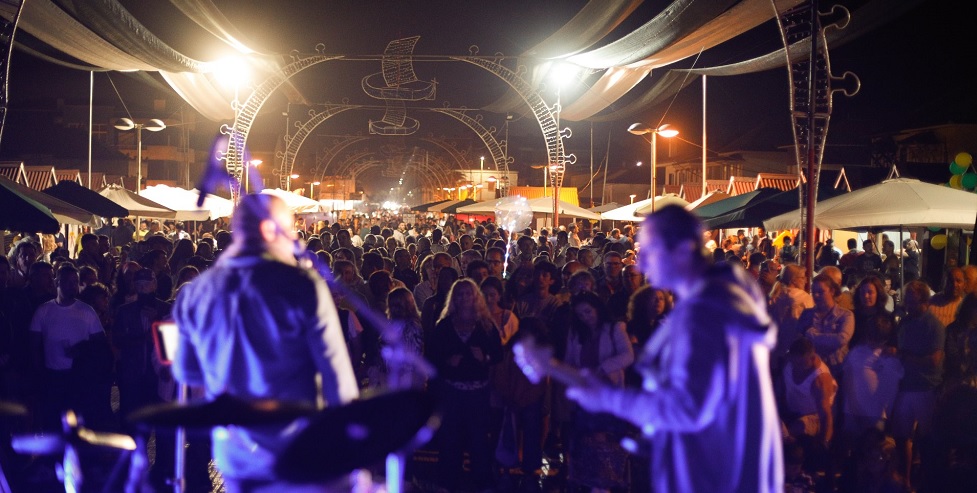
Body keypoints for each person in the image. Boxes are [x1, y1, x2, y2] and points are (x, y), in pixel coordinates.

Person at [563, 204, 783, 493]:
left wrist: (607, 398)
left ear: (680, 251)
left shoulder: (705, 312)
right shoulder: (719, 299)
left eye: (650, 252)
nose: (641, 266)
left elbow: (688, 408)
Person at [172, 193, 358, 492]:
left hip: (234, 456)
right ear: (271, 230)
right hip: (297, 450)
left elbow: (188, 374)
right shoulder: (302, 285)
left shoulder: (196, 291)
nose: (295, 240)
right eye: (292, 232)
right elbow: (339, 382)